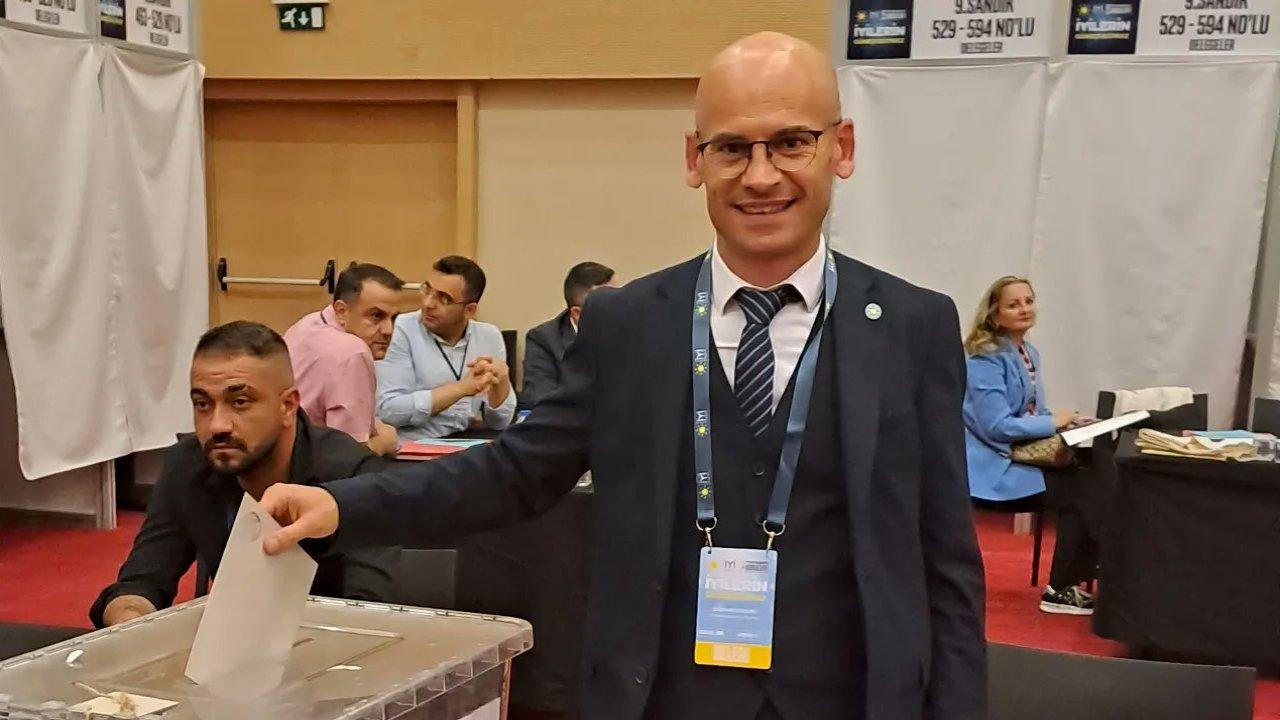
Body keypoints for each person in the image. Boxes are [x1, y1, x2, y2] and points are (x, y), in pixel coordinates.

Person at [261, 32, 984, 720]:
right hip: (662, 697)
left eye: (792, 142)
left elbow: (946, 560)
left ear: (842, 148)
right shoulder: (629, 324)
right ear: (695, 159)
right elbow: (514, 473)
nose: (761, 175)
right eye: (732, 147)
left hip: (853, 698)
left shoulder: (912, 327)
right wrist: (345, 506)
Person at [89, 321, 395, 628]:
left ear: (288, 406)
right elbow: (142, 581)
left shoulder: (352, 474)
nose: (217, 425)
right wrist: (129, 617)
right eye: (202, 404)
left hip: (333, 644)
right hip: (232, 645)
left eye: (239, 402)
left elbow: (370, 614)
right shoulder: (188, 464)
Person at [962, 275, 1097, 615]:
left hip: (1016, 456)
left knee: (1097, 470)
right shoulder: (983, 360)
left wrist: (1069, 421)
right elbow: (997, 426)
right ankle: (1061, 589)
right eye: (1013, 304)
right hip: (991, 466)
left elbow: (1031, 411)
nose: (1024, 309)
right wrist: (1053, 423)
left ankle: (1083, 576)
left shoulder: (1028, 352)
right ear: (995, 315)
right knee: (1082, 493)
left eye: (1028, 301)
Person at [375, 255, 516, 439]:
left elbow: (499, 423)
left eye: (444, 299)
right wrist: (461, 388)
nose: (427, 303)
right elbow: (389, 411)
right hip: (410, 445)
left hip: (463, 442)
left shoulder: (489, 336)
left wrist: (502, 382)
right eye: (427, 290)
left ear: (469, 310)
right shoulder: (399, 329)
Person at [284, 263, 403, 455]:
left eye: (394, 318)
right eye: (376, 316)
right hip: (310, 466)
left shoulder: (305, 325)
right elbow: (349, 458)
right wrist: (385, 442)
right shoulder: (352, 351)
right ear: (341, 311)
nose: (388, 330)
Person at [521, 261, 615, 408]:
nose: (618, 308)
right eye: (610, 304)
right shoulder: (544, 340)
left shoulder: (633, 332)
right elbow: (540, 401)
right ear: (577, 313)